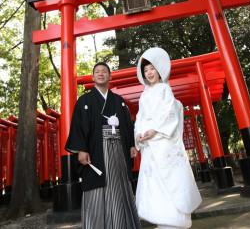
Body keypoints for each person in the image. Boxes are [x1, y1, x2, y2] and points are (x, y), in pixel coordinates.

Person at [65, 62, 141, 229]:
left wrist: (131, 145)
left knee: (120, 185)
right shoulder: (84, 101)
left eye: (104, 72)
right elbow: (78, 126)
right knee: (96, 187)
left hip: (118, 151)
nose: (100, 74)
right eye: (97, 72)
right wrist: (82, 149)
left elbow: (128, 125)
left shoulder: (119, 101)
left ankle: (123, 224)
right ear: (92, 77)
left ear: (110, 76)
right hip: (95, 151)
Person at [134, 47, 202, 229]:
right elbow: (140, 117)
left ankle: (177, 220)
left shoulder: (165, 89)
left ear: (159, 70)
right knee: (154, 181)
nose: (149, 73)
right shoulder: (144, 94)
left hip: (163, 142)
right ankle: (161, 219)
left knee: (172, 178)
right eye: (146, 70)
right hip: (149, 144)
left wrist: (155, 130)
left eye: (152, 69)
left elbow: (169, 112)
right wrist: (139, 134)